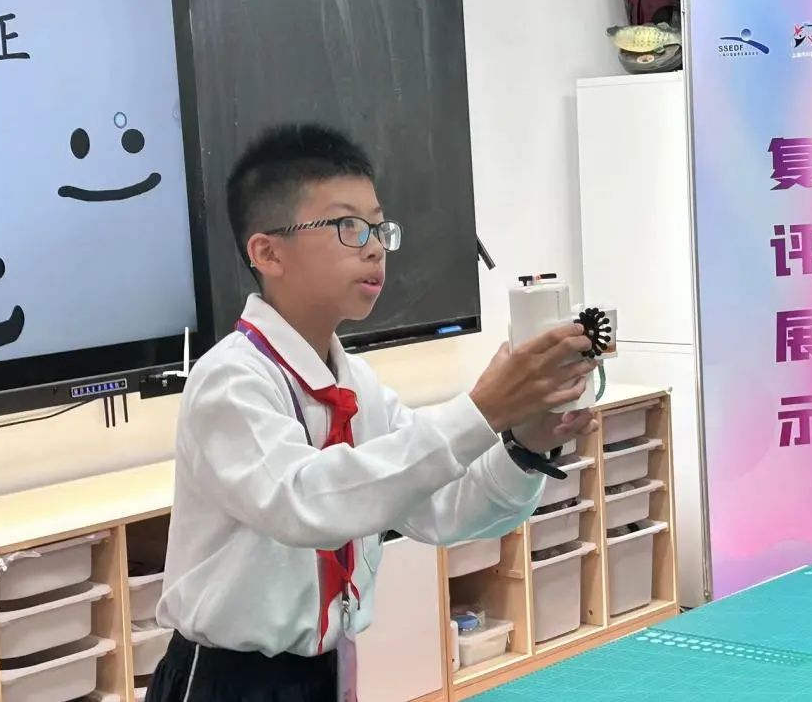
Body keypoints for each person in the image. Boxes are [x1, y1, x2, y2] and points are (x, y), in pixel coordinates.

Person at [147, 123, 598, 701]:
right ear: (268, 252)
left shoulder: (356, 385)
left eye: (379, 227)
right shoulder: (230, 380)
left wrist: (525, 446)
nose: (374, 247)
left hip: (328, 672)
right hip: (226, 683)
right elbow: (308, 503)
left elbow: (446, 506)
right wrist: (483, 410)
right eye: (347, 226)